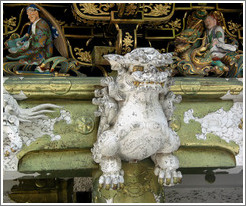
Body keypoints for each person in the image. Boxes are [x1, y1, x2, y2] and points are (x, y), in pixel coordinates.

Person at [5, 4, 53, 72]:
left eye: (31, 14)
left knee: (18, 56)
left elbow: (40, 44)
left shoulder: (42, 24)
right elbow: (30, 36)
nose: (29, 17)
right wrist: (23, 43)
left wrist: (24, 49)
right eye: (28, 15)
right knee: (13, 51)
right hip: (34, 47)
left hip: (43, 52)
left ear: (36, 12)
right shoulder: (34, 24)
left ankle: (44, 67)